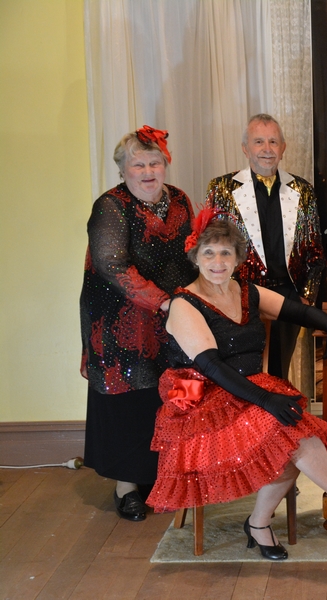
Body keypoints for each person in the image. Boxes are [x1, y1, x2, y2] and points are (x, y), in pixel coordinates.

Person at [146, 214, 327, 560]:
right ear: (195, 257)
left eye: (226, 253)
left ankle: (264, 521)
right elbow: (211, 366)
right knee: (285, 425)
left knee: (293, 426)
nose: (218, 262)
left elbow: (296, 312)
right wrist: (265, 399)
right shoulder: (184, 304)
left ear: (238, 258)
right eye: (209, 253)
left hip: (246, 390)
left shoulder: (247, 291)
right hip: (204, 401)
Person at [79, 126, 195, 522]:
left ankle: (165, 478)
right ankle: (126, 487)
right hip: (120, 319)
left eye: (154, 163)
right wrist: (163, 303)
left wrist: (197, 297)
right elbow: (112, 265)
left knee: (172, 394)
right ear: (122, 170)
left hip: (172, 314)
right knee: (129, 399)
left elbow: (190, 253)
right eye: (138, 165)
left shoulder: (180, 200)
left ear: (165, 165)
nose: (148, 172)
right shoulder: (110, 207)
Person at [204, 113, 325, 379]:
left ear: (283, 147)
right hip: (240, 296)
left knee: (278, 374)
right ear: (245, 148)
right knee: (242, 375)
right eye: (259, 141)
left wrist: (305, 297)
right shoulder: (221, 188)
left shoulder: (303, 190)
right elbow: (211, 250)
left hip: (287, 298)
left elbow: (315, 251)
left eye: (273, 141)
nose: (267, 149)